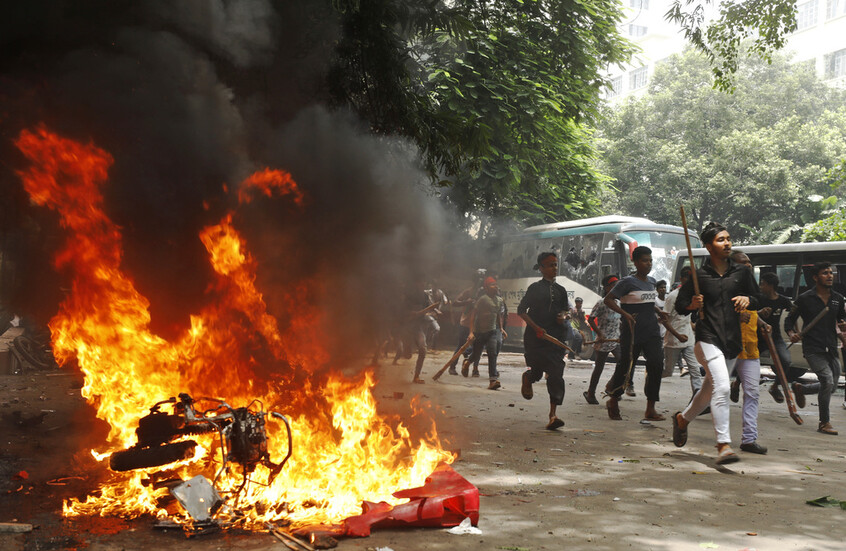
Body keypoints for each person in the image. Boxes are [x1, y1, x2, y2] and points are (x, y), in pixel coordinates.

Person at [671, 222, 760, 465]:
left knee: (709, 388)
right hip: (707, 338)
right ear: (708, 246)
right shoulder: (697, 276)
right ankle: (723, 445)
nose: (727, 243)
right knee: (722, 387)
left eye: (729, 238)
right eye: (721, 240)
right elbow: (680, 306)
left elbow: (758, 298)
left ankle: (682, 419)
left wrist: (747, 298)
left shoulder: (741, 273)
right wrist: (692, 305)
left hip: (732, 339)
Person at [603, 246, 666, 422]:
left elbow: (647, 301)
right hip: (632, 332)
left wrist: (659, 312)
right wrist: (625, 314)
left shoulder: (652, 281)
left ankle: (650, 408)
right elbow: (608, 299)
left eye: (650, 260)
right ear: (636, 262)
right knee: (625, 366)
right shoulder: (627, 282)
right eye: (645, 260)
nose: (649, 264)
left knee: (656, 364)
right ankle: (613, 400)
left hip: (652, 331)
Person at [785, 262, 846, 435]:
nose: (830, 275)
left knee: (832, 385)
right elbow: (789, 320)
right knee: (827, 380)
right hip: (813, 347)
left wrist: (843, 331)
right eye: (825, 273)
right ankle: (824, 423)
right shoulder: (804, 299)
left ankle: (801, 388)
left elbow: (841, 321)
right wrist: (791, 334)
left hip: (831, 348)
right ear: (815, 277)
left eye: (831, 273)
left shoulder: (838, 299)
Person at [517, 252, 570, 430]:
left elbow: (565, 311)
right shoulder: (534, 288)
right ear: (541, 268)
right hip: (535, 339)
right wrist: (535, 327)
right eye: (549, 265)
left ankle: (553, 415)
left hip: (555, 339)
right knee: (537, 373)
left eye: (555, 264)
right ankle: (528, 377)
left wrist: (563, 317)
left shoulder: (561, 291)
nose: (554, 268)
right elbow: (521, 310)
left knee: (556, 374)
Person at [726, 251, 767, 454]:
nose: (749, 266)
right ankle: (686, 418)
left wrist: (762, 322)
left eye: (750, 262)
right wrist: (734, 317)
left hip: (750, 349)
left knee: (752, 392)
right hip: (728, 347)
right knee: (717, 392)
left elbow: (751, 312)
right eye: (744, 263)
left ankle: (749, 439)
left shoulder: (752, 290)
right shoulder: (725, 286)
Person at [756, 272, 801, 402]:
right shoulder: (758, 299)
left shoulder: (783, 300)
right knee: (747, 363)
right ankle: (736, 383)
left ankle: (775, 387)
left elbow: (793, 315)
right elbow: (750, 313)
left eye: (763, 284)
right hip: (757, 337)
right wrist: (760, 312)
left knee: (785, 361)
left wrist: (795, 331)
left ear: (771, 286)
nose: (760, 287)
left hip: (775, 337)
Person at [662, 267, 703, 398]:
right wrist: (678, 335)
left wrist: (694, 327)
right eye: (688, 279)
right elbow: (665, 320)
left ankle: (697, 397)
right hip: (673, 341)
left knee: (695, 370)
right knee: (668, 371)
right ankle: (653, 375)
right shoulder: (673, 296)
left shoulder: (694, 297)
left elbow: (686, 318)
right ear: (681, 279)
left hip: (689, 339)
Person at [462, 277, 507, 390]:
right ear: (486, 288)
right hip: (479, 332)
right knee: (476, 354)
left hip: (491, 332)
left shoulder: (499, 300)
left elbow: (498, 315)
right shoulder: (482, 299)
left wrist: (501, 328)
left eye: (496, 284)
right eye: (492, 285)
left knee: (492, 354)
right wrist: (471, 332)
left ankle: (493, 380)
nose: (495, 286)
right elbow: (473, 315)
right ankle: (467, 362)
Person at [584, 275, 622, 405]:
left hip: (615, 339)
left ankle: (612, 387)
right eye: (613, 285)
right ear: (606, 288)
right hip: (603, 340)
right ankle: (590, 393)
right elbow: (590, 319)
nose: (616, 288)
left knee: (622, 364)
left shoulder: (618, 303)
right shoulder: (601, 303)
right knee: (599, 368)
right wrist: (599, 334)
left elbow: (619, 320)